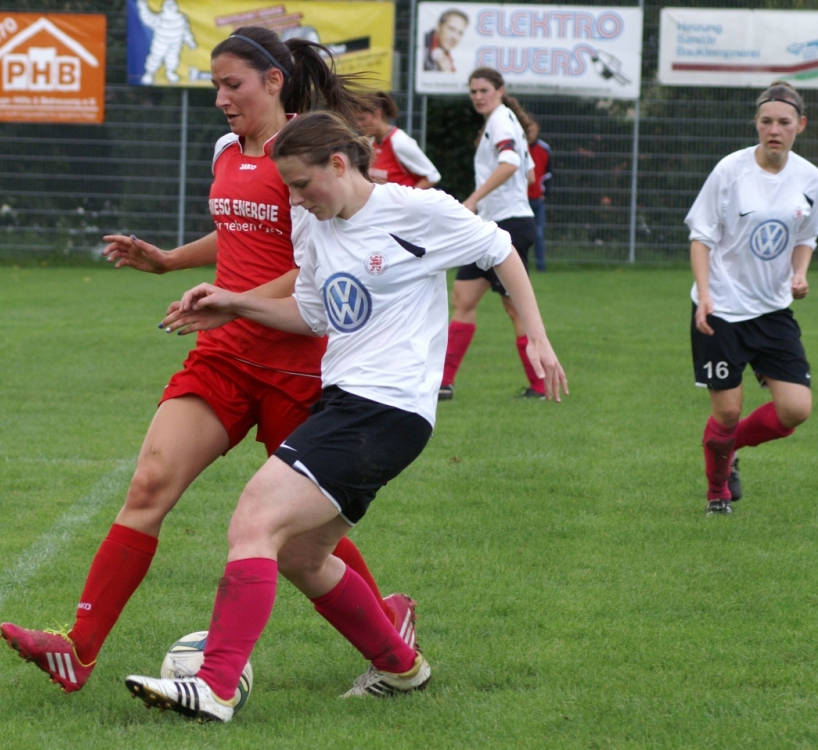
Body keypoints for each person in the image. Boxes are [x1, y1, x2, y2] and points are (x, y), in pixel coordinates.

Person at [0, 27, 413, 694]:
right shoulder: (229, 149)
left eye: (233, 85)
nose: (221, 99)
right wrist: (167, 259)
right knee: (148, 486)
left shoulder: (309, 153)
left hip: (299, 366)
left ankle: (389, 631)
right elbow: (238, 229)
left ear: (274, 82)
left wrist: (238, 301)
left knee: (306, 539)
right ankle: (79, 650)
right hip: (223, 355)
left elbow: (314, 268)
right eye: (215, 86)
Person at [124, 111, 567, 722]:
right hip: (347, 402)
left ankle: (216, 686)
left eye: (303, 185)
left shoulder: (418, 210)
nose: (296, 200)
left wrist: (538, 337)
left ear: (340, 164)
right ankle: (401, 666)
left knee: (253, 520)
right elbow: (312, 313)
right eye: (289, 189)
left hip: (387, 408)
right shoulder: (314, 224)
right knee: (302, 556)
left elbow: (501, 250)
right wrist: (234, 305)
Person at [687, 81, 815, 516]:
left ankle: (727, 447)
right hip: (721, 308)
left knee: (796, 409)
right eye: (766, 121)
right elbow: (701, 237)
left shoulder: (810, 178)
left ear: (800, 124)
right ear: (756, 124)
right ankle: (717, 491)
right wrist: (704, 296)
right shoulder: (730, 171)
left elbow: (806, 236)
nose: (774, 130)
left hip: (773, 308)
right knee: (726, 412)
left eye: (783, 122)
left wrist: (799, 273)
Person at [440, 67, 542, 401]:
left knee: (516, 309)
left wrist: (473, 198)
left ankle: (539, 386)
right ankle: (443, 383)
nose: (478, 97)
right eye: (473, 92)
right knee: (463, 299)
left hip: (507, 226)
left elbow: (511, 163)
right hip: (495, 225)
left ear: (500, 90)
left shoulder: (500, 119)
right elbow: (528, 174)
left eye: (484, 90)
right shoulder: (507, 119)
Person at [355, 91, 441, 190]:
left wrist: (408, 200)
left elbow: (432, 177)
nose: (358, 125)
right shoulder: (370, 143)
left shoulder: (400, 142)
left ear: (378, 114)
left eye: (362, 119)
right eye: (356, 120)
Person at [526, 118, 551, 272]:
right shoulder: (518, 147)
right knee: (520, 235)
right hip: (521, 200)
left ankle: (540, 266)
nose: (530, 133)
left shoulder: (544, 149)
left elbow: (549, 174)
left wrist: (545, 193)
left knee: (539, 234)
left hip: (537, 199)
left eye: (532, 129)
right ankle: (520, 266)